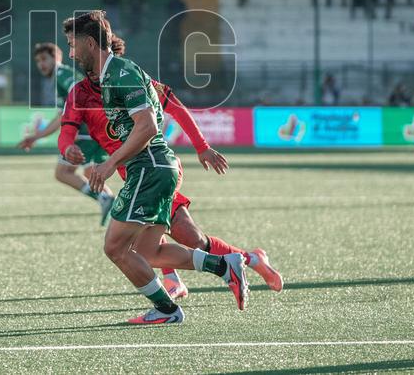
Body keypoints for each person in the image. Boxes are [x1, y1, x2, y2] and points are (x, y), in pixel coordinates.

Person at [58, 23, 282, 302]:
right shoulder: (79, 93)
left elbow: (173, 107)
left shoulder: (128, 78)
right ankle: (240, 261)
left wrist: (202, 146)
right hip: (135, 173)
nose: (74, 57)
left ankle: (228, 265)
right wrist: (68, 149)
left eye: (74, 48)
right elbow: (66, 131)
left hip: (152, 169)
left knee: (183, 238)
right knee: (177, 238)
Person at [17, 43, 115, 224]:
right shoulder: (61, 77)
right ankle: (114, 210)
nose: (41, 64)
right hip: (97, 128)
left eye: (45, 59)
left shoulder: (62, 74)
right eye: (38, 61)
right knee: (90, 174)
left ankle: (107, 201)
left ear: (57, 58)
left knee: (63, 172)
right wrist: (37, 136)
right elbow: (62, 114)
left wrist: (74, 126)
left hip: (86, 131)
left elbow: (78, 94)